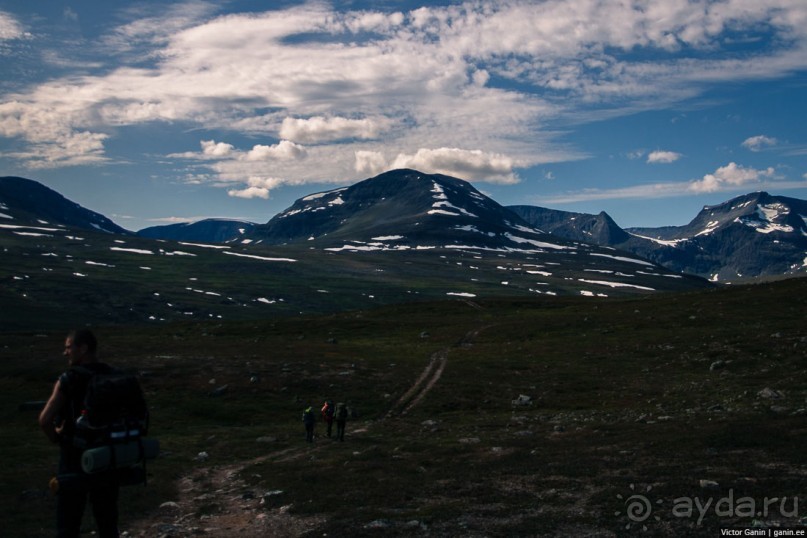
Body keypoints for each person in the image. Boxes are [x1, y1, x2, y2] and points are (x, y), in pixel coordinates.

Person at [38, 329, 120, 538]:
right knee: (107, 522)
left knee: (68, 524)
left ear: (82, 349)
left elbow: (45, 420)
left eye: (68, 347)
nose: (65, 353)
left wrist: (56, 436)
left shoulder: (69, 379)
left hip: (74, 457)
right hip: (106, 456)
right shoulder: (111, 374)